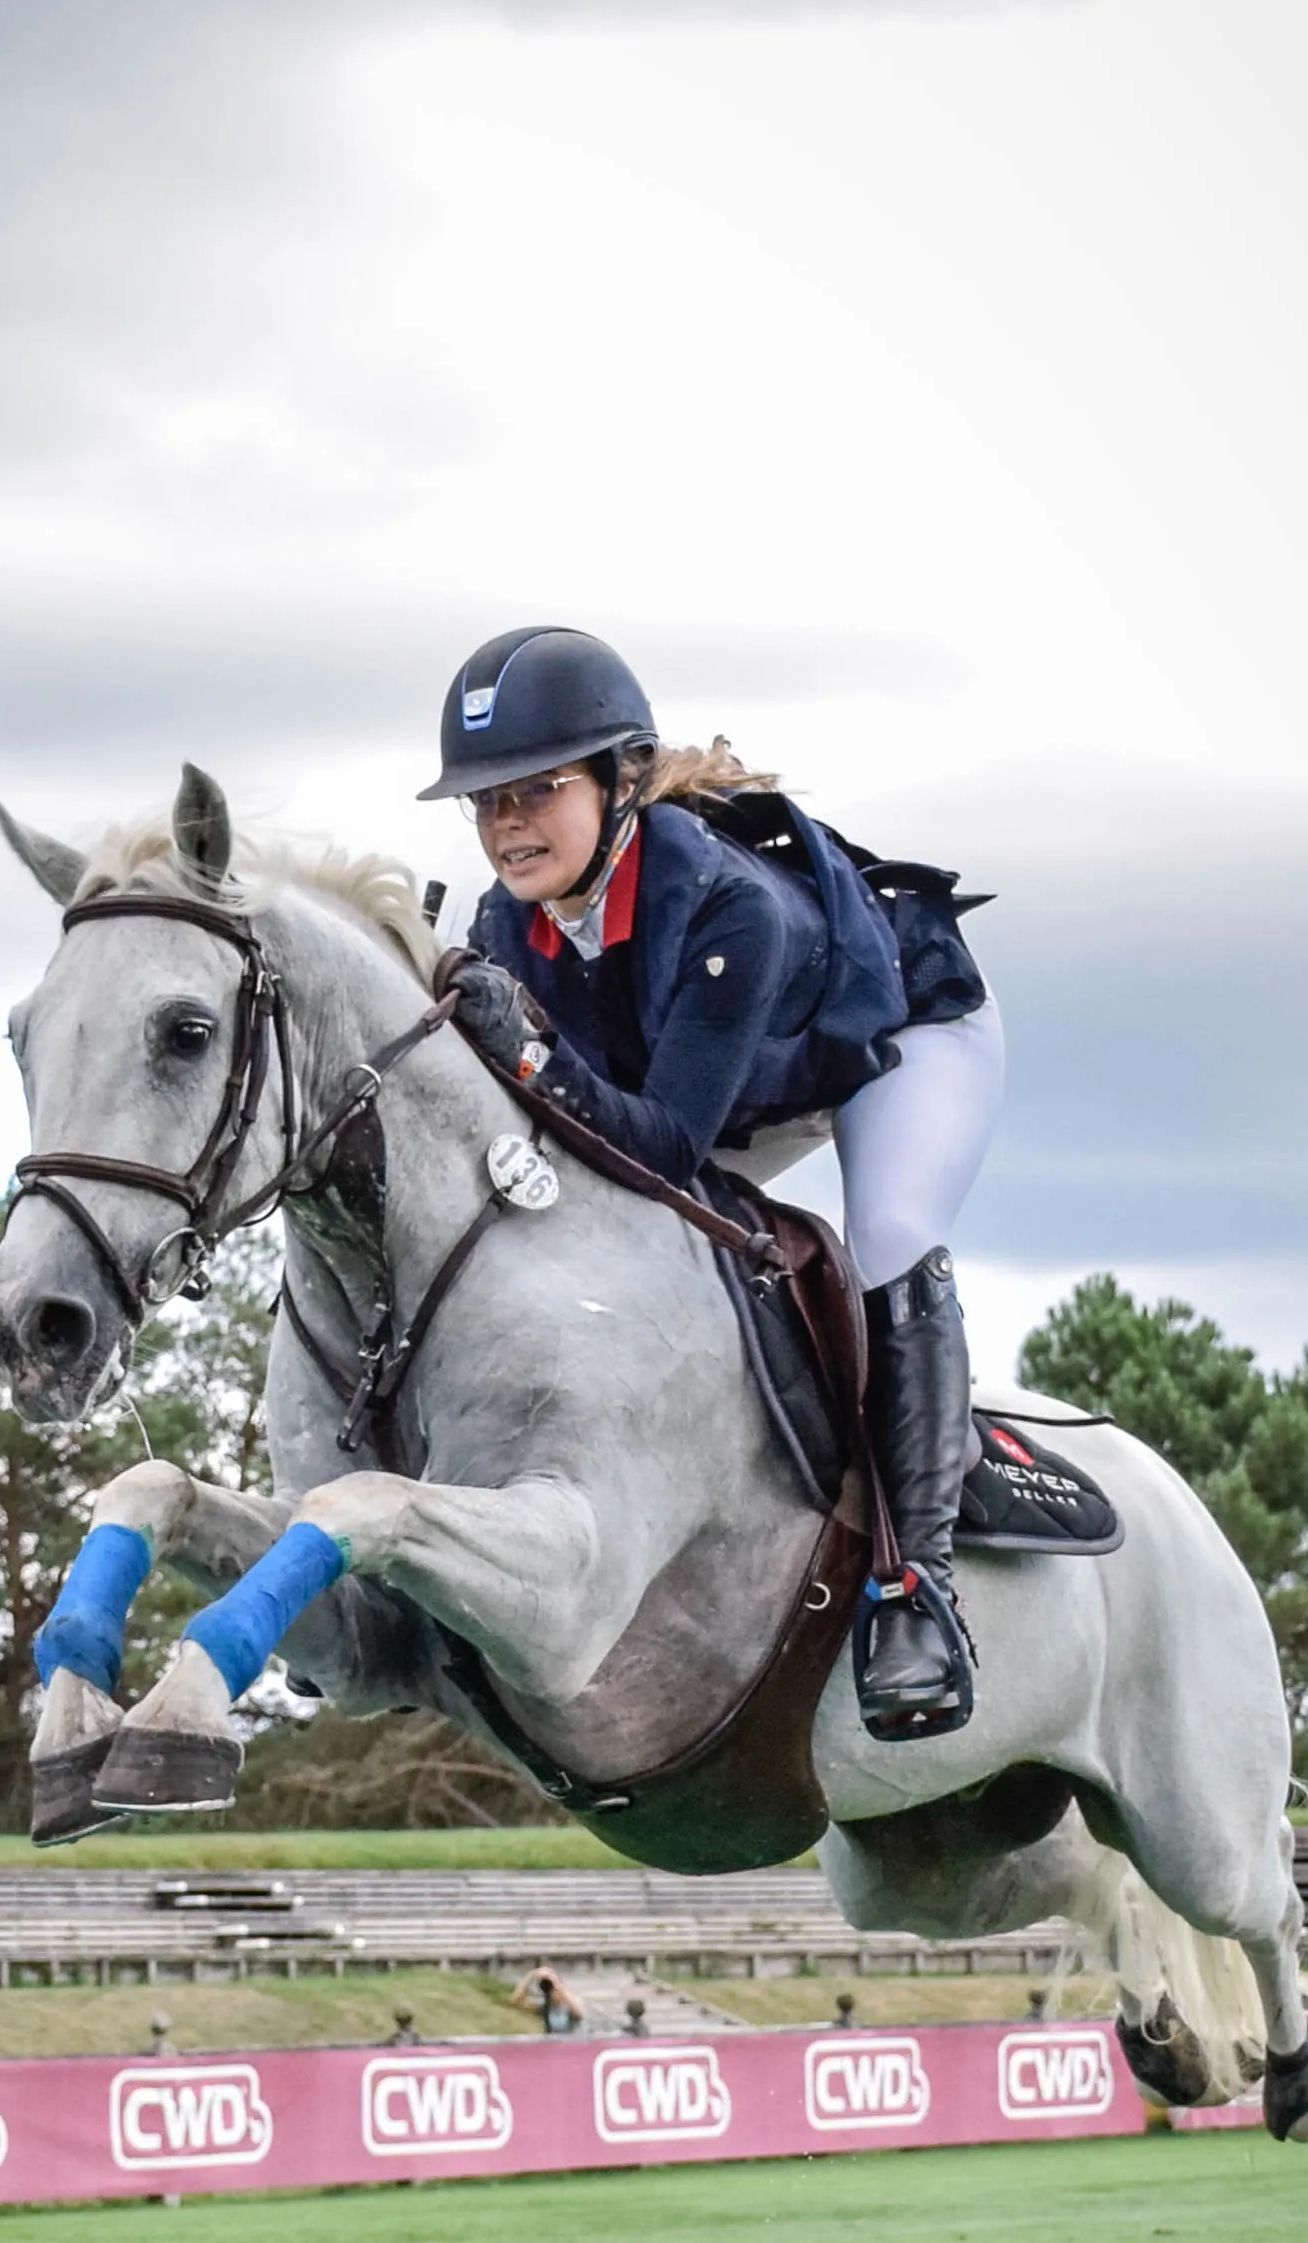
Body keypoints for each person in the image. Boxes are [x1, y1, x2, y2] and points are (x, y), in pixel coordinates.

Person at [421, 623, 1002, 1739]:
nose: (506, 824)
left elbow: (663, 1150)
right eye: (486, 800)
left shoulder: (727, 904)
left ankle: (914, 1588)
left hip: (902, 1037)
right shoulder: (506, 920)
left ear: (621, 777)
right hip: (739, 1082)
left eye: (536, 790)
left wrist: (529, 1056)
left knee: (881, 1227)